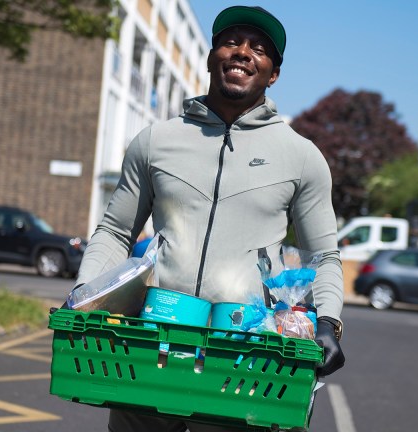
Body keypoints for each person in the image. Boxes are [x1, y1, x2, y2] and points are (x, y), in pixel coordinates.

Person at [75, 6, 345, 431]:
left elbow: (323, 255)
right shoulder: (156, 141)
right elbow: (114, 231)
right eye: (231, 41)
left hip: (244, 359)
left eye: (259, 49)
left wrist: (328, 321)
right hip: (152, 343)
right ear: (211, 56)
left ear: (273, 73)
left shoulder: (301, 157)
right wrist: (83, 297)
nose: (243, 53)